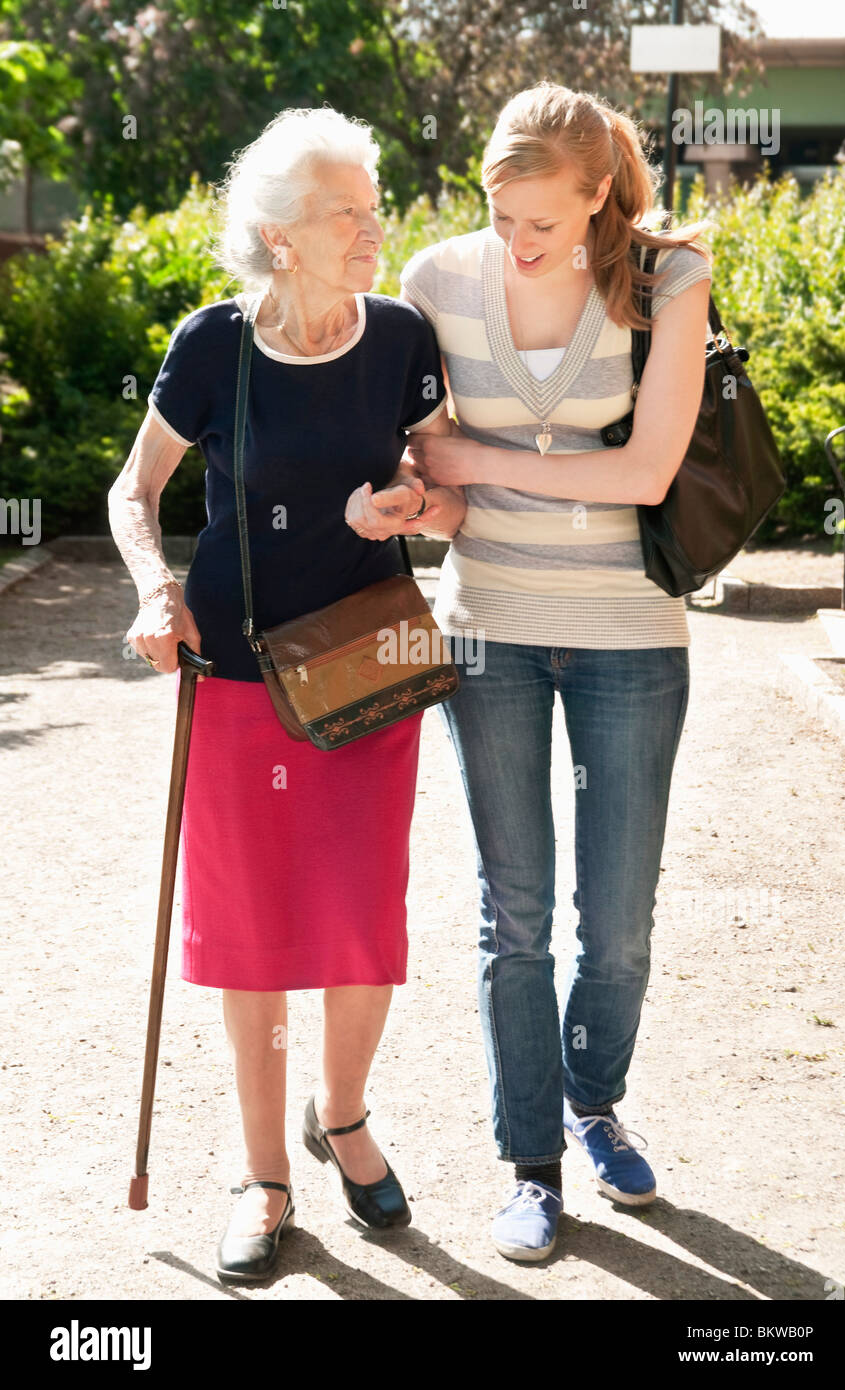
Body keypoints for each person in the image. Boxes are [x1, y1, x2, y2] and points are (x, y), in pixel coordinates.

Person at [108, 106, 466, 1282]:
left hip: (365, 666)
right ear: (279, 239)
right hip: (236, 676)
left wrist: (407, 507)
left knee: (361, 924)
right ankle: (264, 1176)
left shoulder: (402, 336)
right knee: (251, 934)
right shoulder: (212, 347)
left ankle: (344, 1114)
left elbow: (448, 491)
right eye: (346, 215)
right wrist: (158, 592)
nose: (374, 230)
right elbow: (134, 490)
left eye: (373, 205)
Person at [399, 82, 712, 1261]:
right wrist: (427, 487)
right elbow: (428, 467)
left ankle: (595, 1103)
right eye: (499, 214)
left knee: (615, 920)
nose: (517, 242)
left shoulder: (665, 281)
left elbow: (644, 475)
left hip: (630, 629)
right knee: (511, 913)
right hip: (486, 623)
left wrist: (479, 456)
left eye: (543, 221)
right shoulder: (435, 280)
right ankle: (530, 1162)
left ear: (596, 196)